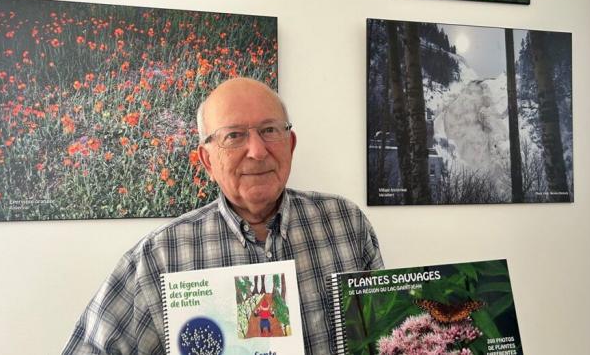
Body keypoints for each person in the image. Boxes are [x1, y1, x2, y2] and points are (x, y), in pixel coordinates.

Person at [62, 77, 383, 355]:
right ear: (207, 160)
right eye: (234, 136)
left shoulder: (346, 223)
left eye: (270, 130)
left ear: (291, 144)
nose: (257, 151)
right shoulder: (159, 255)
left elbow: (382, 337)